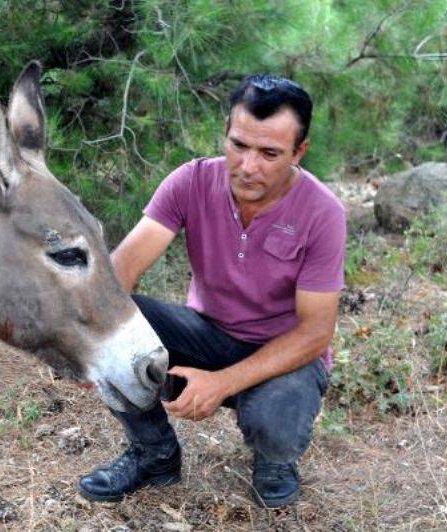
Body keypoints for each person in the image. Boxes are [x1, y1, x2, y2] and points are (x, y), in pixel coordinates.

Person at [77, 74, 346, 508]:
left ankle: (274, 460)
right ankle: (154, 456)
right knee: (110, 323)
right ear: (225, 131)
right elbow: (121, 270)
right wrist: (90, 343)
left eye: (269, 153)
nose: (248, 166)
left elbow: (315, 334)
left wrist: (223, 384)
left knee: (275, 421)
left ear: (299, 152)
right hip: (206, 333)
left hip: (285, 355)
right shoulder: (190, 182)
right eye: (238, 145)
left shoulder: (322, 212)